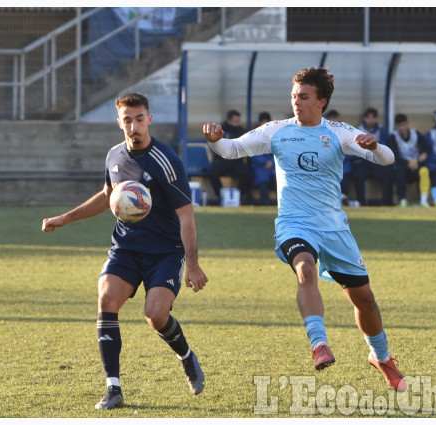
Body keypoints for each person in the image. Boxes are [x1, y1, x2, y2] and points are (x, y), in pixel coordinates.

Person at [202, 67, 406, 392]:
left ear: (321, 101)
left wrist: (375, 146)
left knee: (364, 299)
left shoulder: (338, 132)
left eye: (304, 96)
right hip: (294, 224)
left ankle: (381, 357)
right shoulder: (277, 131)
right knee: (305, 270)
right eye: (294, 96)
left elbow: (388, 159)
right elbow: (232, 149)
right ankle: (319, 344)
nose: (296, 102)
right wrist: (215, 141)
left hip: (334, 228)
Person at [42, 93, 209, 409]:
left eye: (139, 118)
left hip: (165, 252)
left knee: (156, 315)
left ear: (149, 119)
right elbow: (107, 196)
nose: (134, 125)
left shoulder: (167, 162)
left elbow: (186, 214)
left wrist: (194, 264)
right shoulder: (114, 156)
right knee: (106, 299)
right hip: (126, 248)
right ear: (119, 122)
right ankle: (113, 389)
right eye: (127, 119)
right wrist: (64, 218)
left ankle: (186, 356)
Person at [208, 109, 254, 205]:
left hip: (236, 160)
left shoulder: (242, 132)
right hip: (221, 160)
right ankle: (221, 197)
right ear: (229, 121)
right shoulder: (220, 130)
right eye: (235, 121)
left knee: (248, 174)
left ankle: (238, 197)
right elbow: (214, 145)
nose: (238, 124)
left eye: (239, 121)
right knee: (213, 173)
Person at [387, 113, 431, 207]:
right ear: (396, 126)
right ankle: (402, 200)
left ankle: (423, 201)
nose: (402, 127)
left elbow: (427, 146)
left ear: (407, 123)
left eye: (404, 124)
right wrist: (407, 163)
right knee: (399, 172)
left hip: (416, 163)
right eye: (399, 125)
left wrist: (424, 154)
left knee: (424, 171)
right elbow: (394, 155)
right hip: (403, 164)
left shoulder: (415, 133)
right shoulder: (393, 136)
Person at [353, 107, 393, 206]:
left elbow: (385, 146)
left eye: (373, 117)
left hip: (376, 160)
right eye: (368, 117)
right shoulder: (358, 130)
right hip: (362, 160)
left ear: (376, 118)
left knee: (387, 173)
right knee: (358, 174)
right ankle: (361, 202)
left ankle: (387, 202)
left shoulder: (381, 130)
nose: (370, 120)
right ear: (365, 118)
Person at [325, 109, 352, 205]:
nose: (333, 120)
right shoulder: (323, 132)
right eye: (331, 118)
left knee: (345, 170)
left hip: (343, 162)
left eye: (335, 118)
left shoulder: (344, 131)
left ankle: (343, 196)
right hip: (328, 163)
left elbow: (350, 150)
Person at [250, 111, 277, 205]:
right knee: (262, 178)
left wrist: (272, 162)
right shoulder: (253, 135)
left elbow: (279, 151)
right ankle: (264, 201)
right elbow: (252, 152)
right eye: (263, 122)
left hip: (273, 165)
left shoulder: (275, 136)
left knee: (278, 177)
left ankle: (280, 202)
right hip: (260, 166)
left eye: (267, 122)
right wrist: (264, 163)